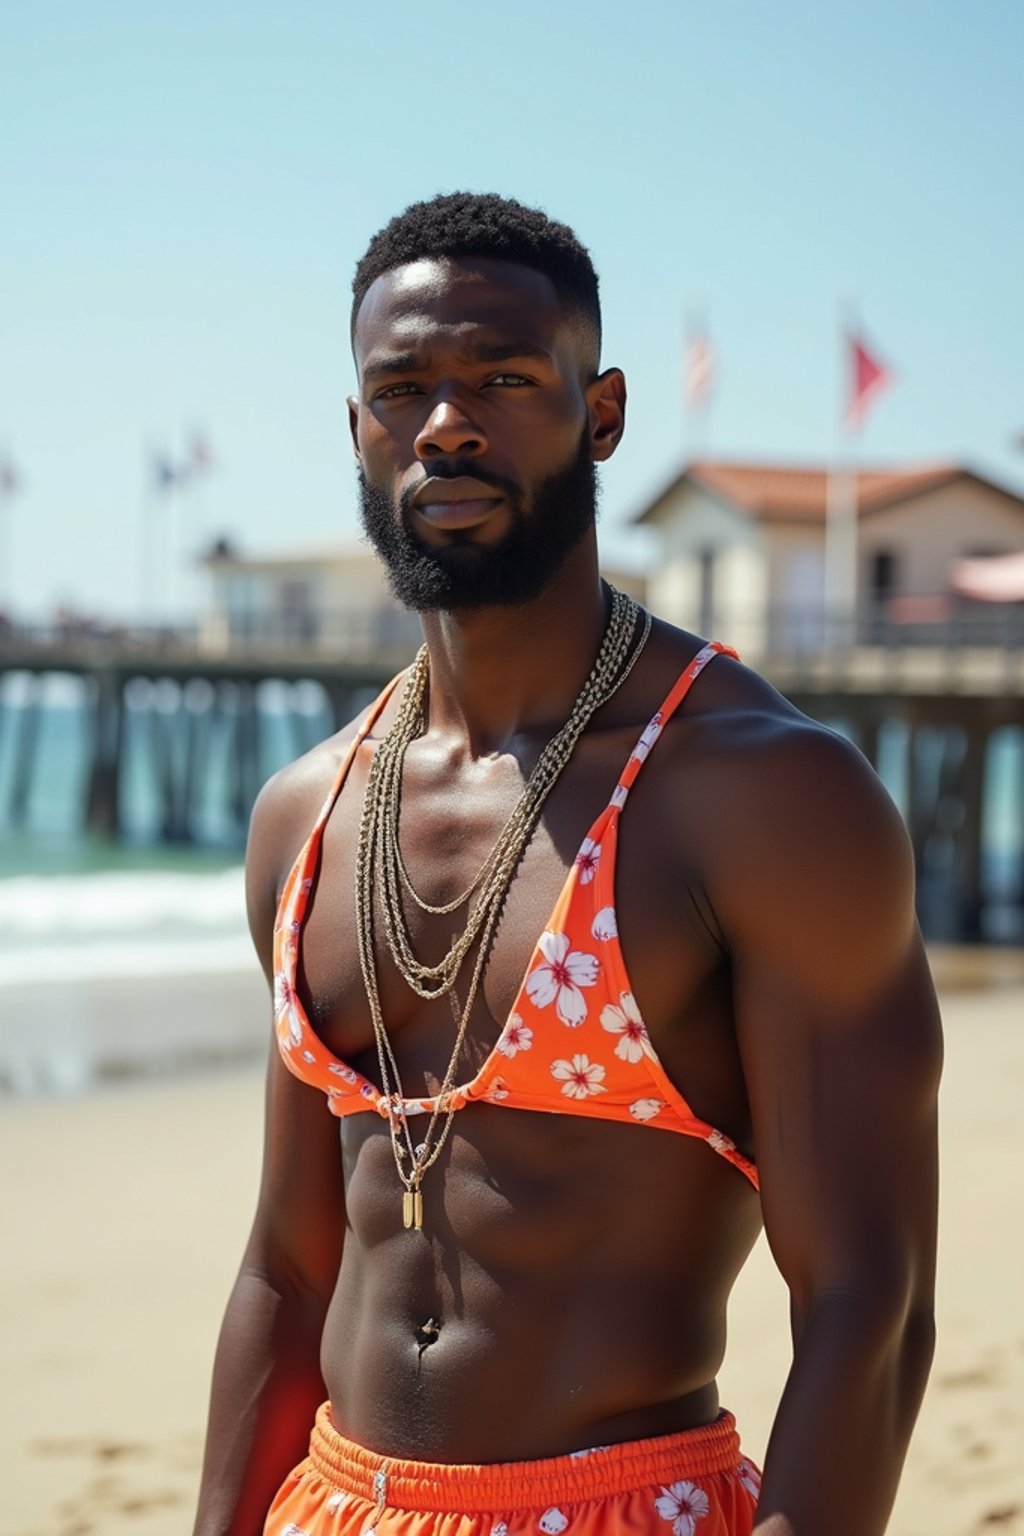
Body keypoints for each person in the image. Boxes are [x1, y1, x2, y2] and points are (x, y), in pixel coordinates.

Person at [192, 193, 941, 1536]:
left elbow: (867, 1304)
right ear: (356, 431)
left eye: (500, 377)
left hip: (618, 1507)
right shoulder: (308, 816)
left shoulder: (759, 794)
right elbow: (290, 1271)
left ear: (601, 415)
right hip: (338, 1506)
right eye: (402, 388)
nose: (446, 422)